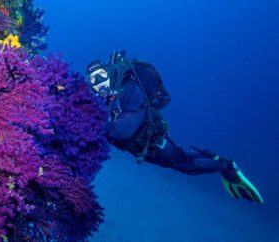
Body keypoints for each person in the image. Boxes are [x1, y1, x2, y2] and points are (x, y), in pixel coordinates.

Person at [86, 50, 264, 204]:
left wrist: (98, 126)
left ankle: (226, 167)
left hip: (155, 144)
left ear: (109, 72)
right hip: (147, 144)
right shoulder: (111, 98)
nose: (97, 82)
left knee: (187, 167)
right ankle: (211, 156)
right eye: (92, 79)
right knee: (183, 156)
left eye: (101, 75)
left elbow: (123, 131)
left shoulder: (129, 88)